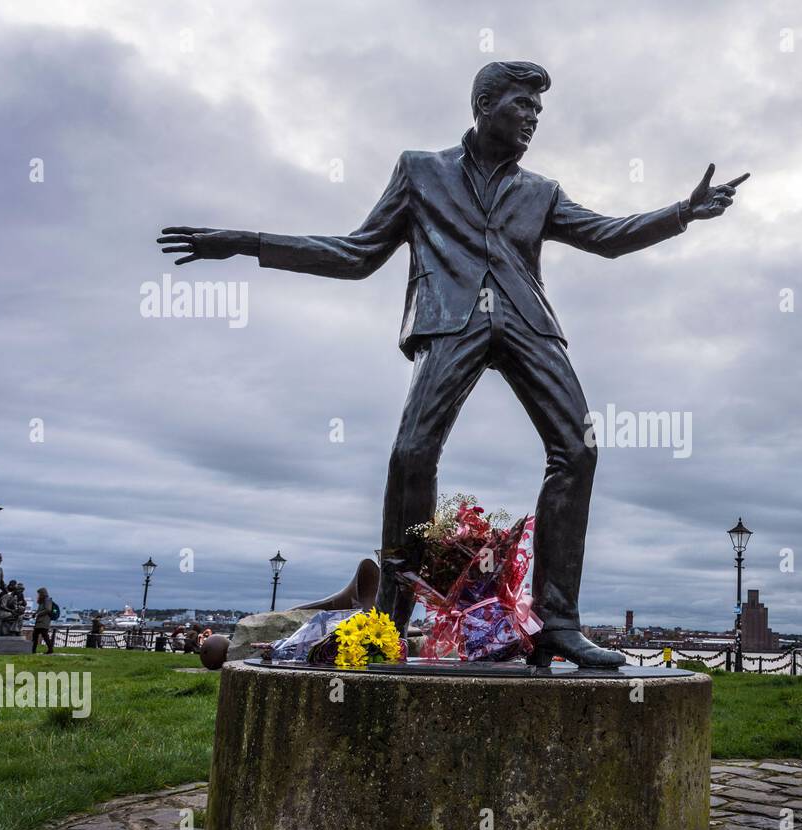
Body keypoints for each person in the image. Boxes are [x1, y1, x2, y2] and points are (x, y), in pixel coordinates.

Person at [158, 61, 748, 670]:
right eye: (523, 106)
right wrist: (247, 243)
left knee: (578, 450)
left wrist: (681, 212)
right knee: (412, 455)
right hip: (450, 319)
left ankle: (557, 624)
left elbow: (606, 234)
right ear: (485, 104)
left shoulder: (541, 191)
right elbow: (357, 254)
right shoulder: (421, 170)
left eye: (538, 112)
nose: (532, 119)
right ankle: (389, 621)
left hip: (526, 322)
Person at [32, 587, 58, 654]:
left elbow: (48, 609)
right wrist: (35, 613)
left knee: (45, 636)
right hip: (39, 622)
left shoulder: (47, 600)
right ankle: (33, 650)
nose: (38, 595)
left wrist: (38, 614)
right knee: (35, 636)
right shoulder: (41, 601)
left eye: (39, 593)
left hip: (44, 621)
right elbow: (39, 609)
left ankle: (50, 650)